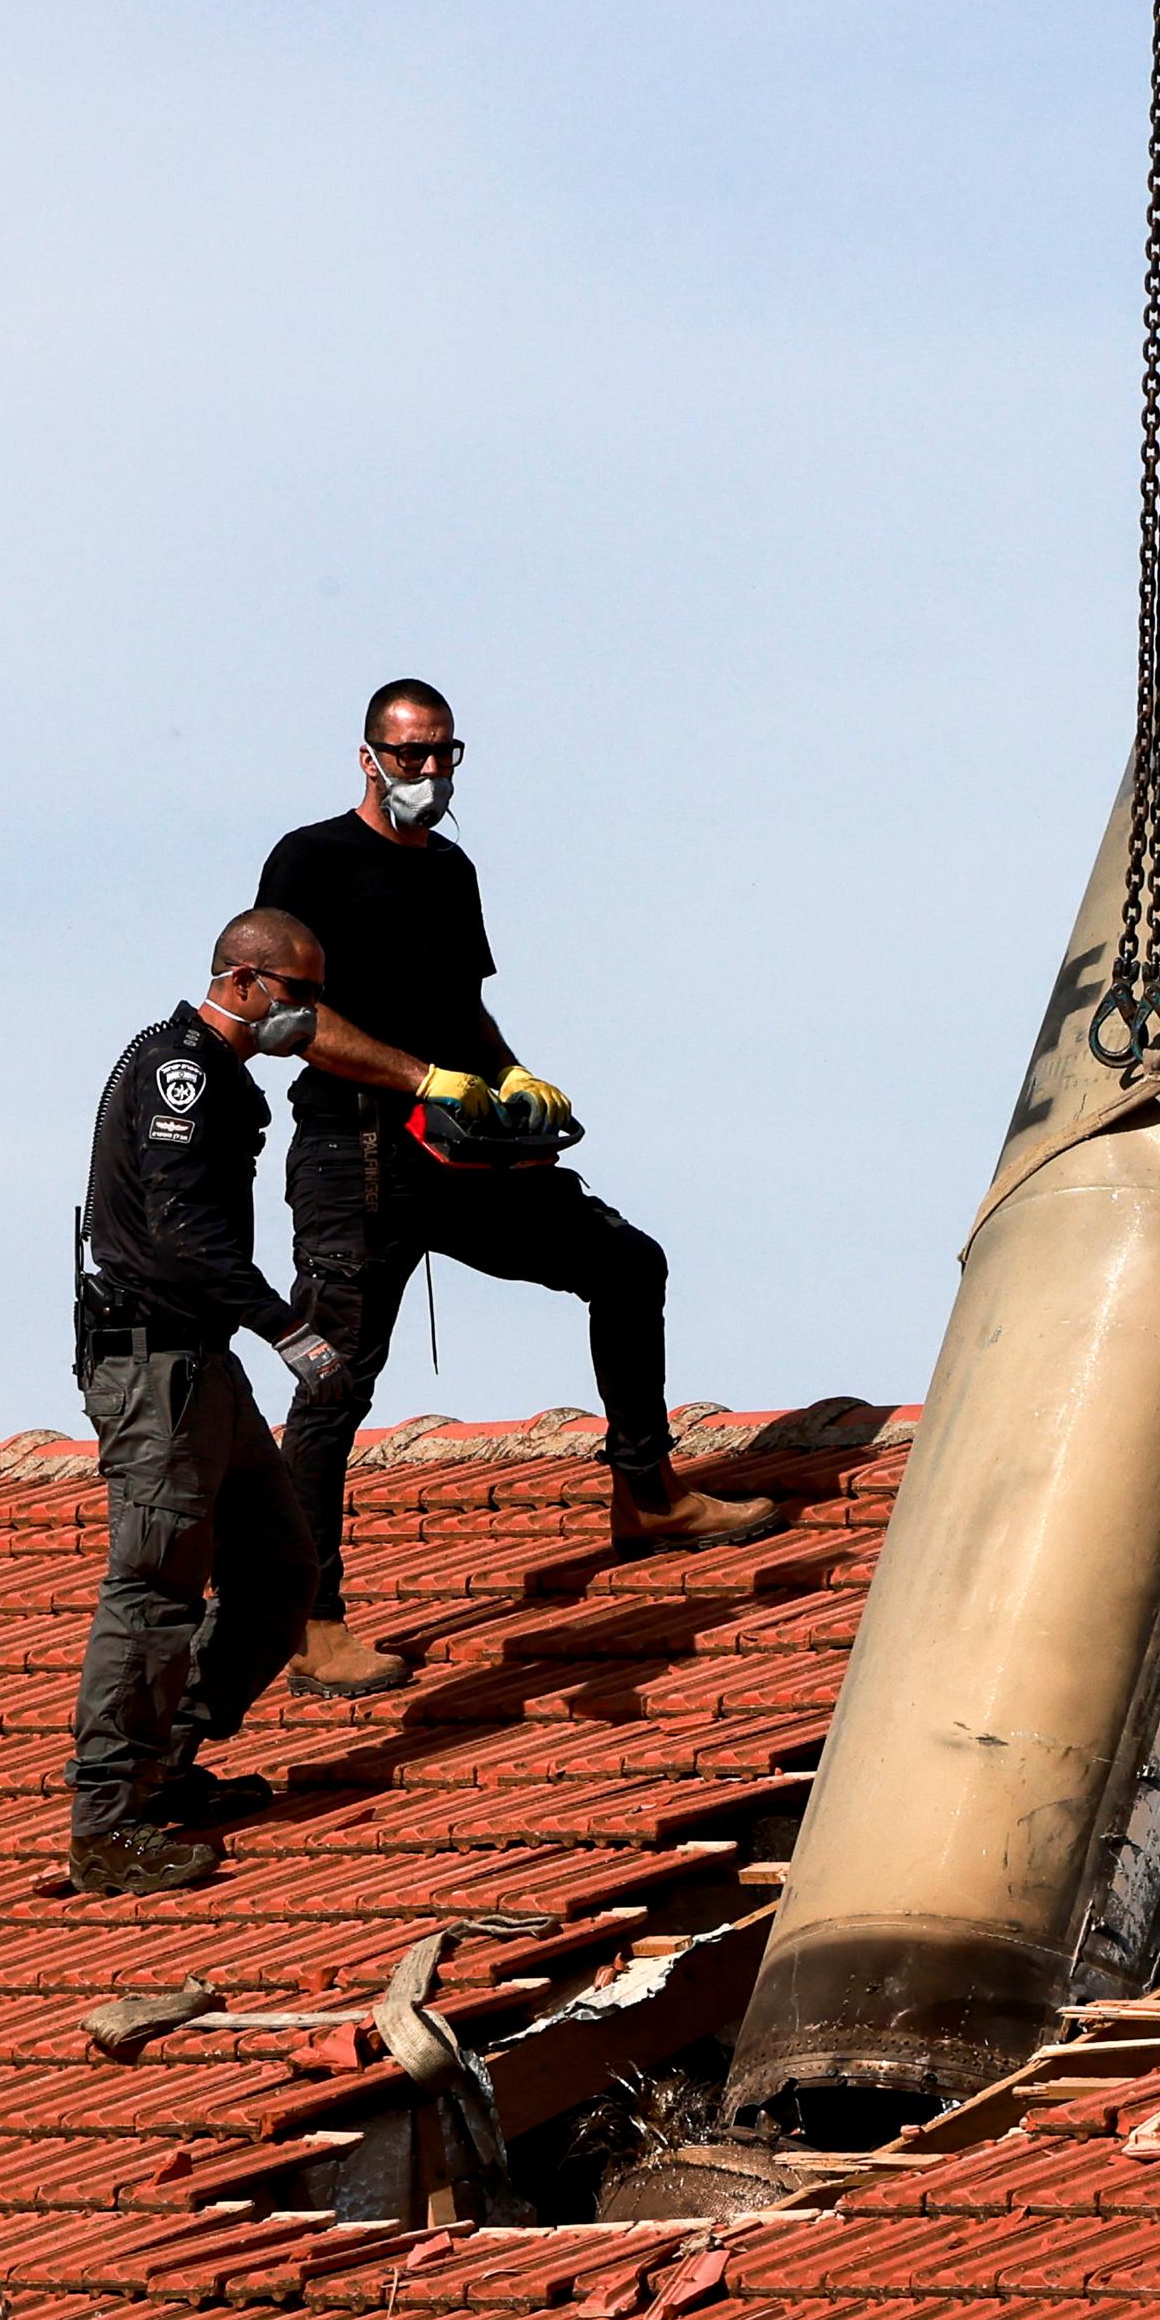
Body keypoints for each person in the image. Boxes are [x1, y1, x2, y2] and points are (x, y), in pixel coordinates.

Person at [257, 677, 773, 1697]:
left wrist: (513, 1077)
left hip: (457, 1150)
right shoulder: (310, 860)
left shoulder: (450, 871)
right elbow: (290, 1023)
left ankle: (649, 1492)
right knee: (334, 1385)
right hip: (354, 1154)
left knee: (625, 1263)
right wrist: (418, 1076)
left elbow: (465, 1012)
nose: (430, 772)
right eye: (410, 754)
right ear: (368, 757)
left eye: (446, 753)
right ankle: (309, 1624)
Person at [66, 907, 342, 1898]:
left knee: (279, 1569)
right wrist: (287, 1326)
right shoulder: (178, 1067)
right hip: (157, 1369)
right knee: (154, 1586)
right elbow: (183, 1230)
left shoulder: (215, 1075)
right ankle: (109, 1825)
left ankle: (168, 1761)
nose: (306, 1018)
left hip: (200, 1361)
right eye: (296, 996)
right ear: (242, 978)